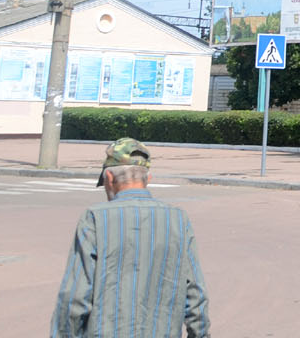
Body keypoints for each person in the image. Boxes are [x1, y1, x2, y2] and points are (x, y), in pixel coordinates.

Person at [51, 137, 211, 337]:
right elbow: (195, 292)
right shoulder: (178, 219)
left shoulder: (95, 218)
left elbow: (75, 296)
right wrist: (200, 334)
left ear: (109, 178)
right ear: (147, 179)